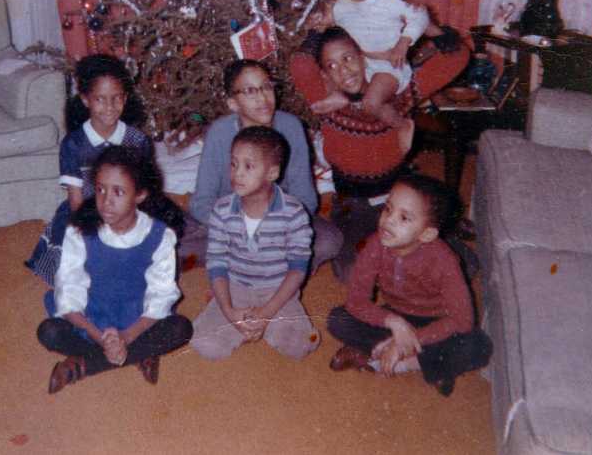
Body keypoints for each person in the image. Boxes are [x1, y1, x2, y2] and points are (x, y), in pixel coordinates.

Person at [36, 146, 193, 394]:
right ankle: (140, 354)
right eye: (100, 189)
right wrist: (101, 338)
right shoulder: (80, 231)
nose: (106, 201)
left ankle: (85, 365)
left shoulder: (161, 236)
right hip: (92, 318)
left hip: (138, 321)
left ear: (140, 194)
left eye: (118, 192)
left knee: (181, 328)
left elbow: (161, 295)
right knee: (49, 331)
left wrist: (127, 338)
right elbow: (68, 290)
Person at [326, 174, 492, 396]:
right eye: (387, 208)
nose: (389, 220)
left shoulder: (444, 260)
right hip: (396, 314)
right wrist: (395, 323)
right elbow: (356, 301)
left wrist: (406, 341)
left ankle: (401, 361)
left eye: (404, 218)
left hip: (436, 321)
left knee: (478, 346)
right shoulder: (377, 244)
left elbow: (462, 320)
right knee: (338, 319)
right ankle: (429, 363)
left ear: (427, 233)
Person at [181, 59, 342, 272]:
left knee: (329, 241)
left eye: (266, 87)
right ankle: (261, 265)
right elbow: (201, 201)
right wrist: (239, 228)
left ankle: (259, 268)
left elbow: (305, 197)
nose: (263, 97)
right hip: (231, 220)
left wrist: (273, 229)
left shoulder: (290, 126)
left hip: (279, 220)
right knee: (175, 242)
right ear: (233, 103)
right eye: (249, 91)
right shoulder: (220, 132)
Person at [190, 126, 320, 360]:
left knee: (303, 345)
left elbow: (298, 269)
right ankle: (240, 322)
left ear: (272, 173)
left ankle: (261, 324)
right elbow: (216, 263)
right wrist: (229, 311)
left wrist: (267, 312)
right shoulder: (221, 210)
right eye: (233, 164)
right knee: (204, 344)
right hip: (235, 287)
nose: (237, 173)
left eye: (248, 166)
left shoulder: (294, 213)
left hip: (277, 291)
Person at [25, 54, 155, 285]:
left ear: (125, 98)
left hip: (127, 210)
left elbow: (142, 193)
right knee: (76, 268)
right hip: (86, 212)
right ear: (85, 100)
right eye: (100, 99)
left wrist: (127, 224)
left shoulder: (138, 141)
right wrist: (98, 231)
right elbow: (76, 200)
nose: (110, 107)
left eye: (117, 98)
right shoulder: (73, 144)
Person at [311, 0, 429, 127]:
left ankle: (403, 126)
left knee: (371, 103)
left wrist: (403, 42)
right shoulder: (342, 5)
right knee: (332, 71)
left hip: (389, 67)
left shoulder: (389, 2)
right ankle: (340, 97)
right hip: (362, 63)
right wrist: (322, 21)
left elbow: (421, 16)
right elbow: (332, 19)